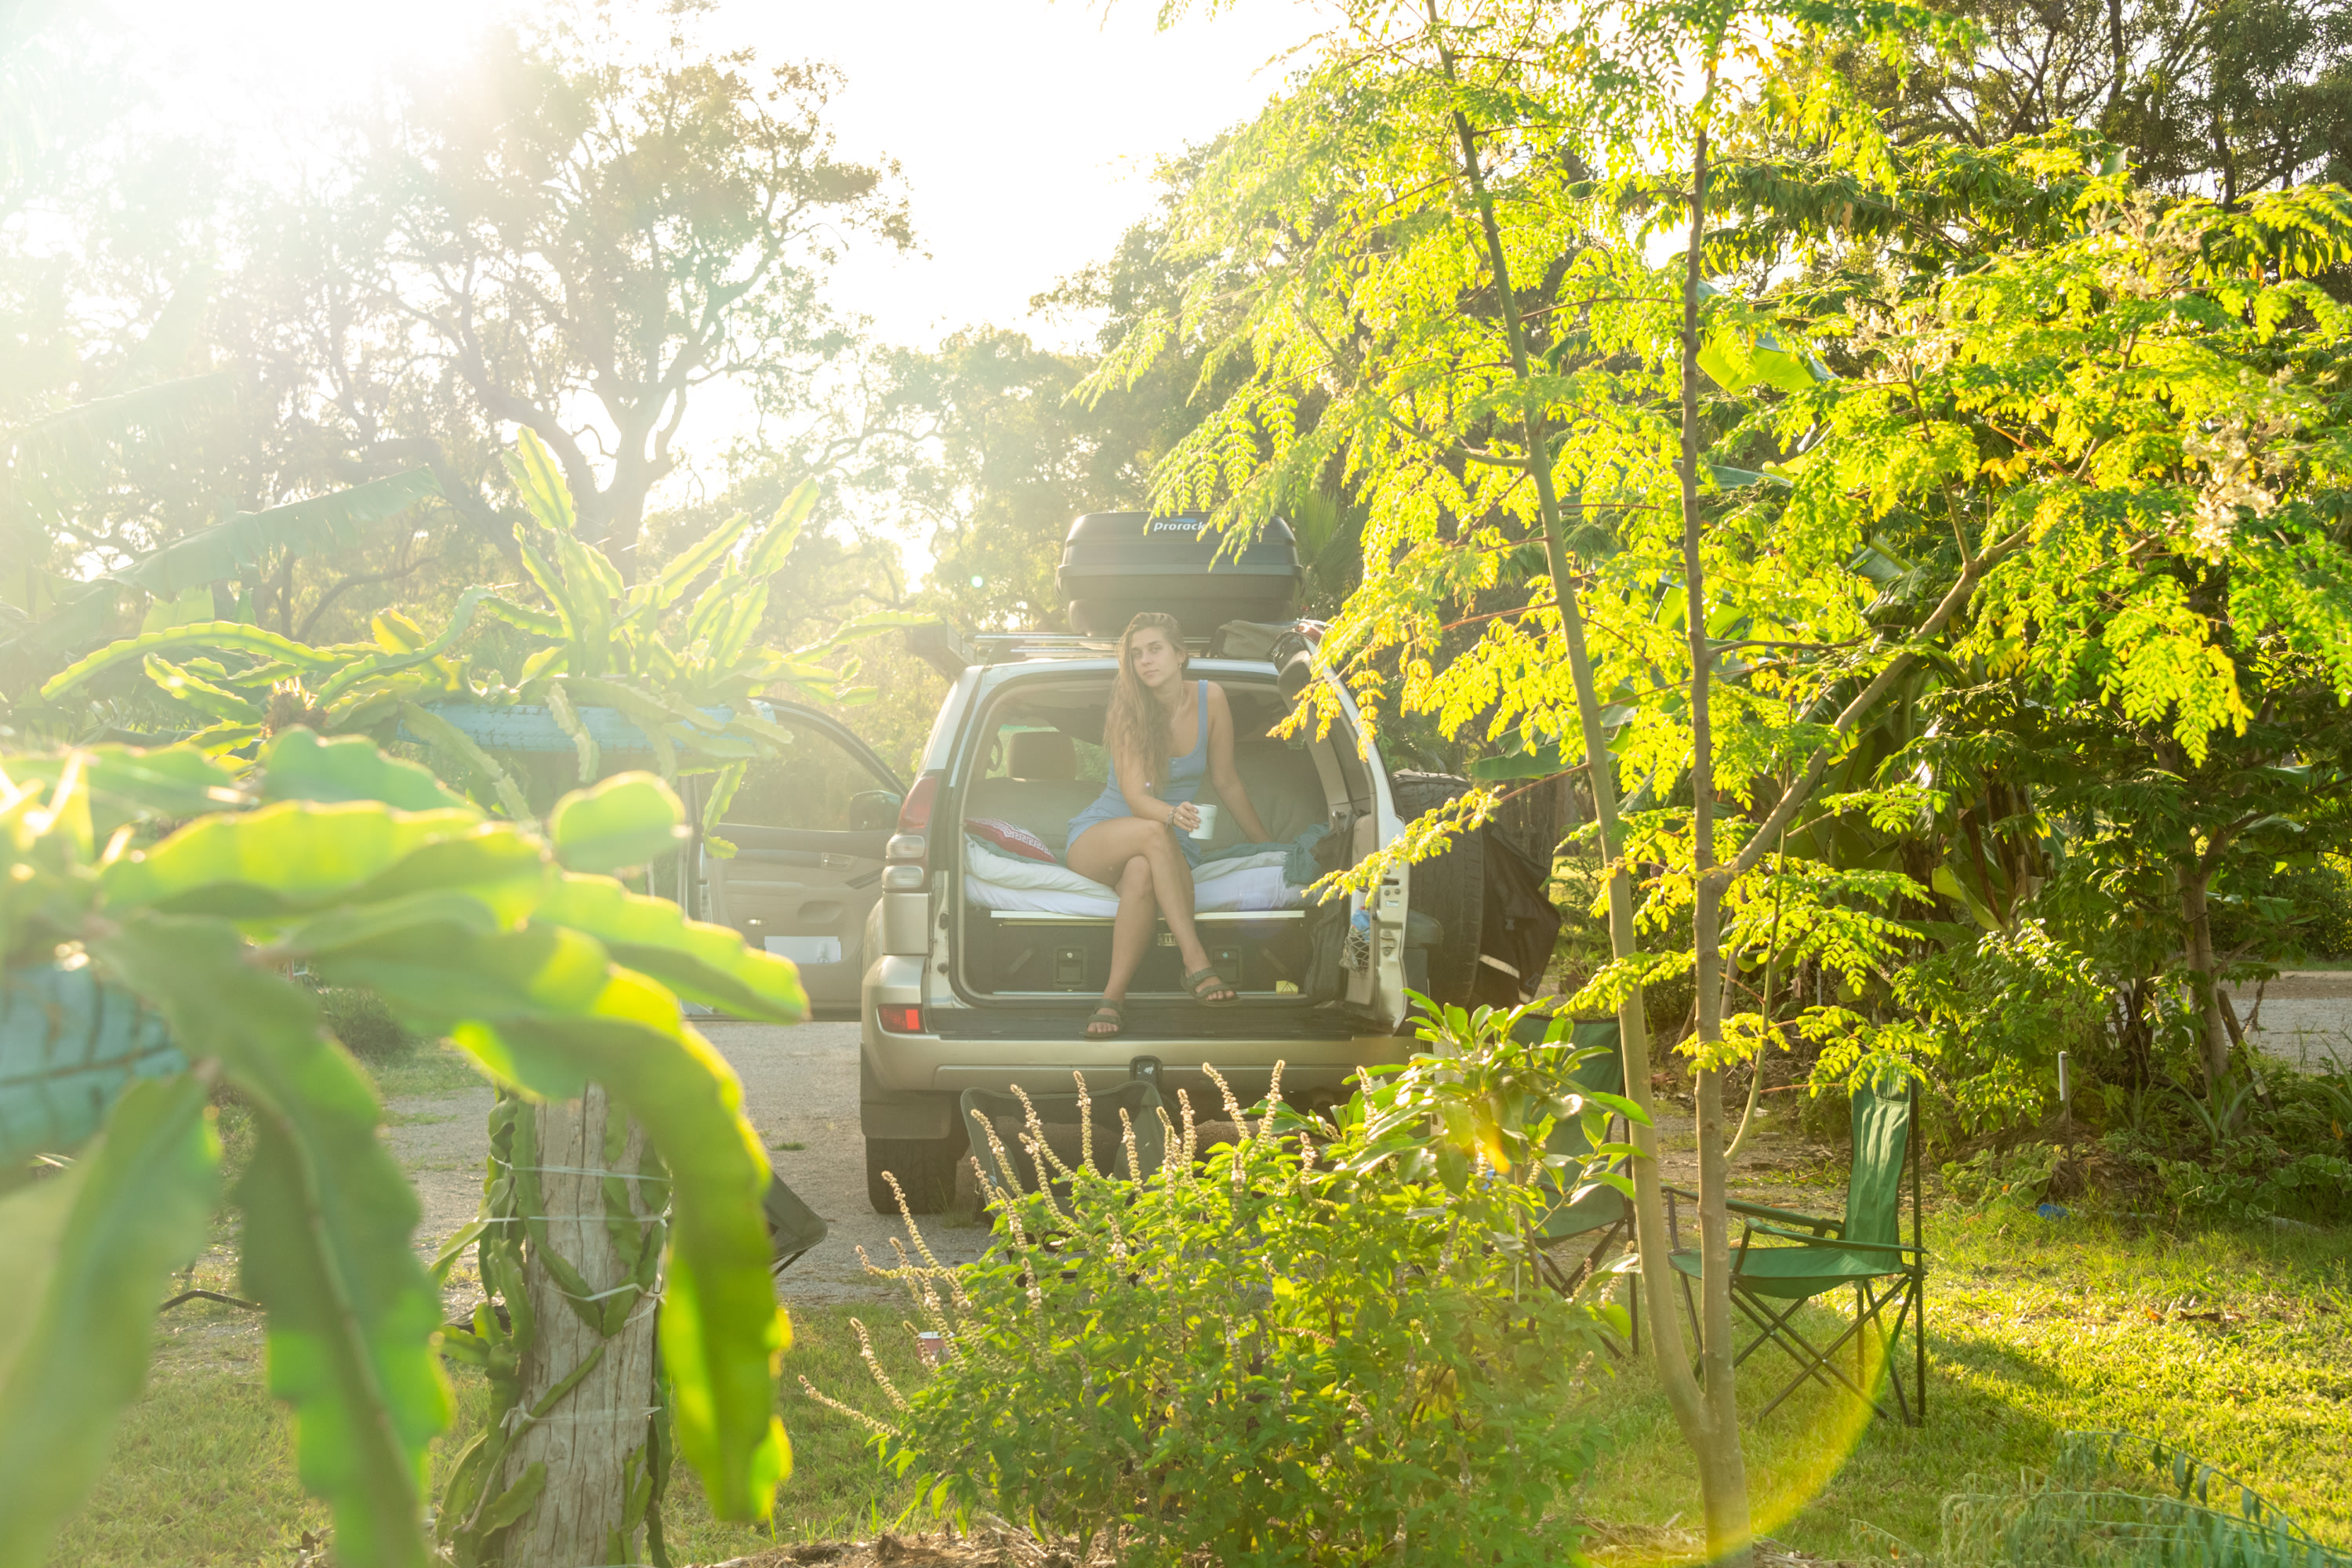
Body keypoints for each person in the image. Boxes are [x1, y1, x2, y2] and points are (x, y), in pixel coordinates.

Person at [1062, 611, 1272, 1038]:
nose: (1145, 661)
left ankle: (1112, 998)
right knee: (1153, 834)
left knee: (1142, 872)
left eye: (1154, 649)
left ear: (1180, 655)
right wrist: (1172, 815)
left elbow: (1227, 781)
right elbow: (1137, 798)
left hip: (1167, 846)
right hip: (1104, 834)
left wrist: (1265, 845)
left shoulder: (1211, 700)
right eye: (1136, 654)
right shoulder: (1127, 711)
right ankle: (1195, 961)